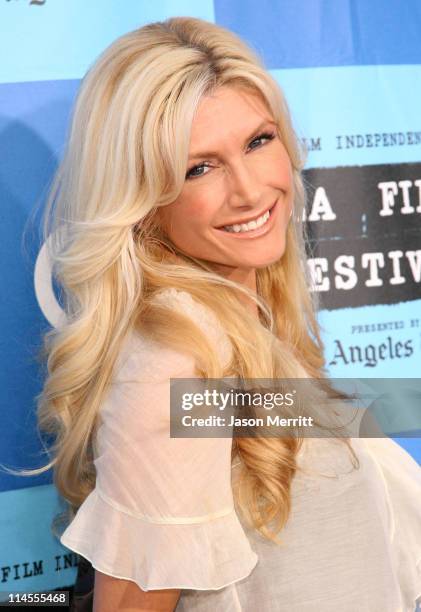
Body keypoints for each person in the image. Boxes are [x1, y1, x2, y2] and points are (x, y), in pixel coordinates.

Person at [13, 16, 421, 612]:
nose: (251, 191)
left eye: (258, 141)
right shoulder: (176, 360)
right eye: (199, 168)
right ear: (145, 201)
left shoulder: (251, 327)